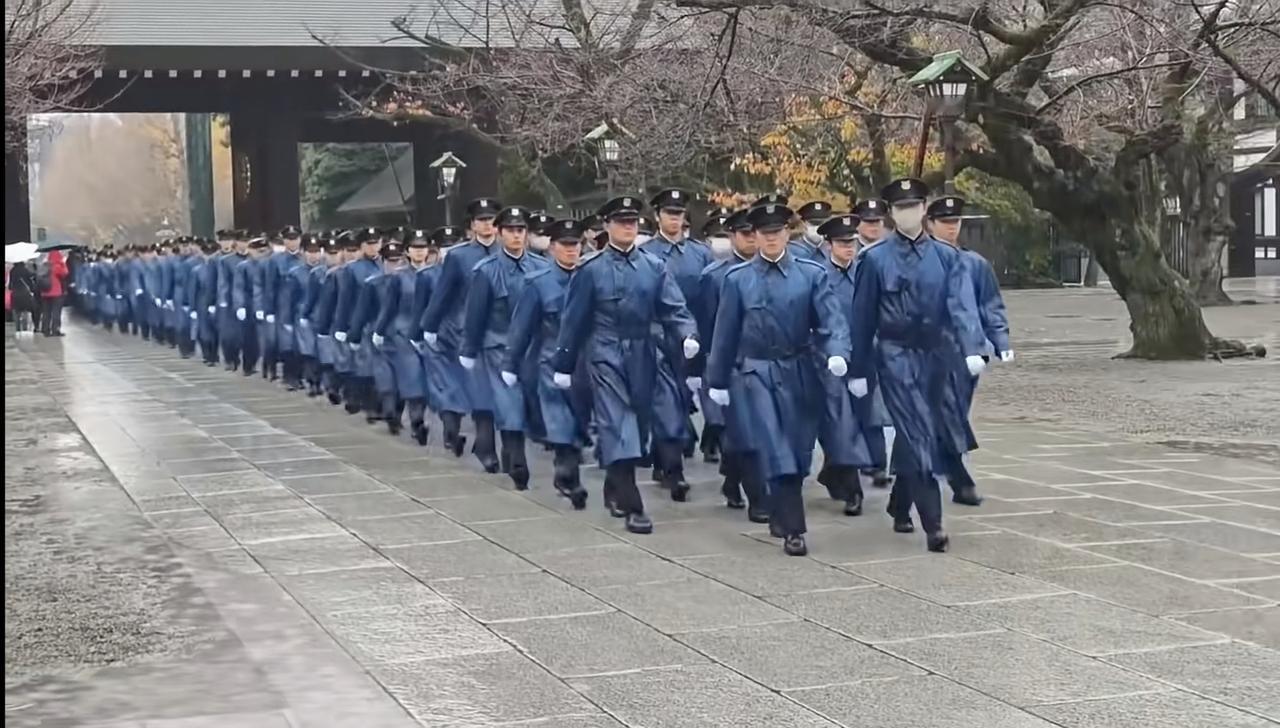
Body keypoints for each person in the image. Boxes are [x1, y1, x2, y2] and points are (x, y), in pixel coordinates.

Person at [848, 178, 987, 553]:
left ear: (924, 209)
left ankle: (899, 503)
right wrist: (858, 370)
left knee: (930, 429)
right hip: (895, 355)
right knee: (917, 432)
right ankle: (934, 525)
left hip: (938, 354)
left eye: (914, 206)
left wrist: (972, 345)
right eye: (900, 207)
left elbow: (962, 304)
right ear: (892, 213)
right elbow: (862, 320)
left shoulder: (946, 257)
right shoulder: (874, 260)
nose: (908, 213)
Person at [706, 202, 849, 557]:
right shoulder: (737, 280)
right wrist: (718, 381)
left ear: (787, 232)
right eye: (764, 233)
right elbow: (725, 335)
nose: (771, 239)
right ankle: (795, 531)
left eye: (777, 232)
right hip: (757, 372)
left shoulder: (811, 274)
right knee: (773, 444)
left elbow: (831, 320)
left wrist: (836, 352)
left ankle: (781, 509)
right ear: (754, 236)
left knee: (799, 452)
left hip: (801, 369)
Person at [551, 195, 700, 535]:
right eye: (621, 222)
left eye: (632, 222)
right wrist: (564, 361)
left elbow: (673, 307)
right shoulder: (590, 270)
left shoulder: (653, 266)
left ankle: (614, 487)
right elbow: (572, 321)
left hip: (643, 353)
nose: (628, 228)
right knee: (619, 424)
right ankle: (635, 506)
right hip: (605, 352)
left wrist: (687, 333)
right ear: (607, 226)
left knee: (640, 426)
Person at [927, 195, 1013, 506]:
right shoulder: (921, 262)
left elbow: (990, 305)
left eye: (955, 222)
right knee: (944, 412)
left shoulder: (974, 264)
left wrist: (1000, 340)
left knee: (955, 412)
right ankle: (958, 477)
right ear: (931, 224)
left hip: (967, 353)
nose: (951, 228)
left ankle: (935, 467)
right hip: (929, 350)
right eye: (944, 223)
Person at [460, 206, 549, 489]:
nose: (516, 236)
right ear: (499, 233)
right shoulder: (485, 272)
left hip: (534, 349)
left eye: (521, 230)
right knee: (510, 404)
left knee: (533, 403)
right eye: (510, 230)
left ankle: (515, 450)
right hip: (497, 347)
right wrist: (469, 350)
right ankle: (518, 461)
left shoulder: (541, 267)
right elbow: (475, 315)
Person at [504, 218, 590, 507]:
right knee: (559, 416)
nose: (571, 251)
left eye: (575, 245)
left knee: (585, 420)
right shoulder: (538, 283)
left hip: (588, 361)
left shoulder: (592, 276)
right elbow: (521, 327)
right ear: (552, 248)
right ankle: (567, 473)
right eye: (565, 245)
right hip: (549, 361)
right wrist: (510, 363)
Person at [694, 208, 769, 523]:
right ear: (733, 236)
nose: (752, 239)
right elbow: (708, 326)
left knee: (763, 433)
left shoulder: (774, 271)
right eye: (745, 233)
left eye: (756, 232)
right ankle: (758, 499)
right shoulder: (715, 276)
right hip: (732, 365)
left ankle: (734, 480)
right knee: (741, 434)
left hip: (766, 364)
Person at [641, 188, 714, 497]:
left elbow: (710, 299)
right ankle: (673, 469)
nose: (674, 218)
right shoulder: (646, 254)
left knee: (683, 400)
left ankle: (662, 457)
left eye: (679, 213)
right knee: (665, 402)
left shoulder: (701, 254)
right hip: (658, 339)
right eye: (669, 213)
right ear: (658, 216)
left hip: (693, 339)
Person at [419, 198, 503, 466]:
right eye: (481, 220)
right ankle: (486, 445)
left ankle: (509, 450)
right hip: (471, 332)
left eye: (491, 220)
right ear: (472, 225)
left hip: (506, 332)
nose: (487, 225)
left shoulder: (510, 251)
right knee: (482, 390)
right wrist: (430, 325)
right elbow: (443, 294)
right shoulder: (459, 256)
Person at [814, 213, 876, 517]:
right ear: (828, 245)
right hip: (828, 362)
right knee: (841, 423)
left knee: (860, 421)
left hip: (863, 358)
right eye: (842, 243)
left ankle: (833, 470)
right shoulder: (819, 276)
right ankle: (854, 489)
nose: (848, 248)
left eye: (852, 242)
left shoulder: (865, 273)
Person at [374, 229, 433, 443]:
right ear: (407, 251)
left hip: (429, 333)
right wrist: (379, 330)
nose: (419, 252)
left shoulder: (436, 273)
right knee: (412, 376)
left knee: (428, 378)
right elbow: (389, 308)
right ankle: (417, 421)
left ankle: (421, 416)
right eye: (415, 248)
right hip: (403, 332)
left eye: (423, 247)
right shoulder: (398, 277)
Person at [348, 236, 401, 428]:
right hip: (376, 333)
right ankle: (384, 411)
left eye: (398, 261)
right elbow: (361, 310)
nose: (395, 265)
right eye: (391, 261)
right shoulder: (373, 283)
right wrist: (354, 334)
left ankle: (395, 410)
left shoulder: (410, 280)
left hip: (402, 334)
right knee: (379, 374)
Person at [333, 227, 384, 416]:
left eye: (376, 243)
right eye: (369, 244)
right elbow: (344, 300)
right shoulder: (352, 269)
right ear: (362, 246)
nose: (373, 247)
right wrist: (341, 325)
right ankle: (366, 403)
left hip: (384, 323)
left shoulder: (387, 264)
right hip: (361, 323)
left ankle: (383, 405)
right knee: (364, 366)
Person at [280, 233, 325, 395]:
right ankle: (312, 382)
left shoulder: (326, 271)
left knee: (323, 352)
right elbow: (288, 299)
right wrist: (287, 321)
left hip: (324, 317)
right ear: (304, 253)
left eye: (317, 251)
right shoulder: (296, 273)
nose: (314, 255)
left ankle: (320, 382)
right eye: (310, 251)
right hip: (303, 317)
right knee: (308, 352)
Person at [268, 226, 305, 385]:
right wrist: (269, 309)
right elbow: (270, 286)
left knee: (303, 343)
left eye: (295, 238)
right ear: (284, 240)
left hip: (303, 305)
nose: (292, 242)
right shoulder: (275, 260)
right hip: (283, 306)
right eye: (289, 239)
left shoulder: (306, 257)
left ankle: (301, 375)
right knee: (287, 343)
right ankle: (289, 377)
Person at [215, 231, 245, 370]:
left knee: (243, 335)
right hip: (228, 301)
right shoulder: (220, 260)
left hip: (246, 300)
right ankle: (230, 359)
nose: (226, 243)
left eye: (229, 240)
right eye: (223, 240)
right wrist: (222, 300)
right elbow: (222, 282)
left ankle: (244, 360)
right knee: (228, 335)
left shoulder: (248, 258)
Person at [38, 250, 69, 336]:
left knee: (46, 312)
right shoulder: (57, 266)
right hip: (56, 293)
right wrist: (63, 263)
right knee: (56, 312)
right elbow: (65, 273)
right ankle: (55, 330)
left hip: (45, 292)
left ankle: (45, 330)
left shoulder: (44, 266)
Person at [8, 261, 40, 336]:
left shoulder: (12, 270)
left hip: (15, 294)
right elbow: (31, 279)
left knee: (16, 312)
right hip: (24, 293)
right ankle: (25, 329)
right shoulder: (25, 270)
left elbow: (10, 285)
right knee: (25, 311)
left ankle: (17, 330)